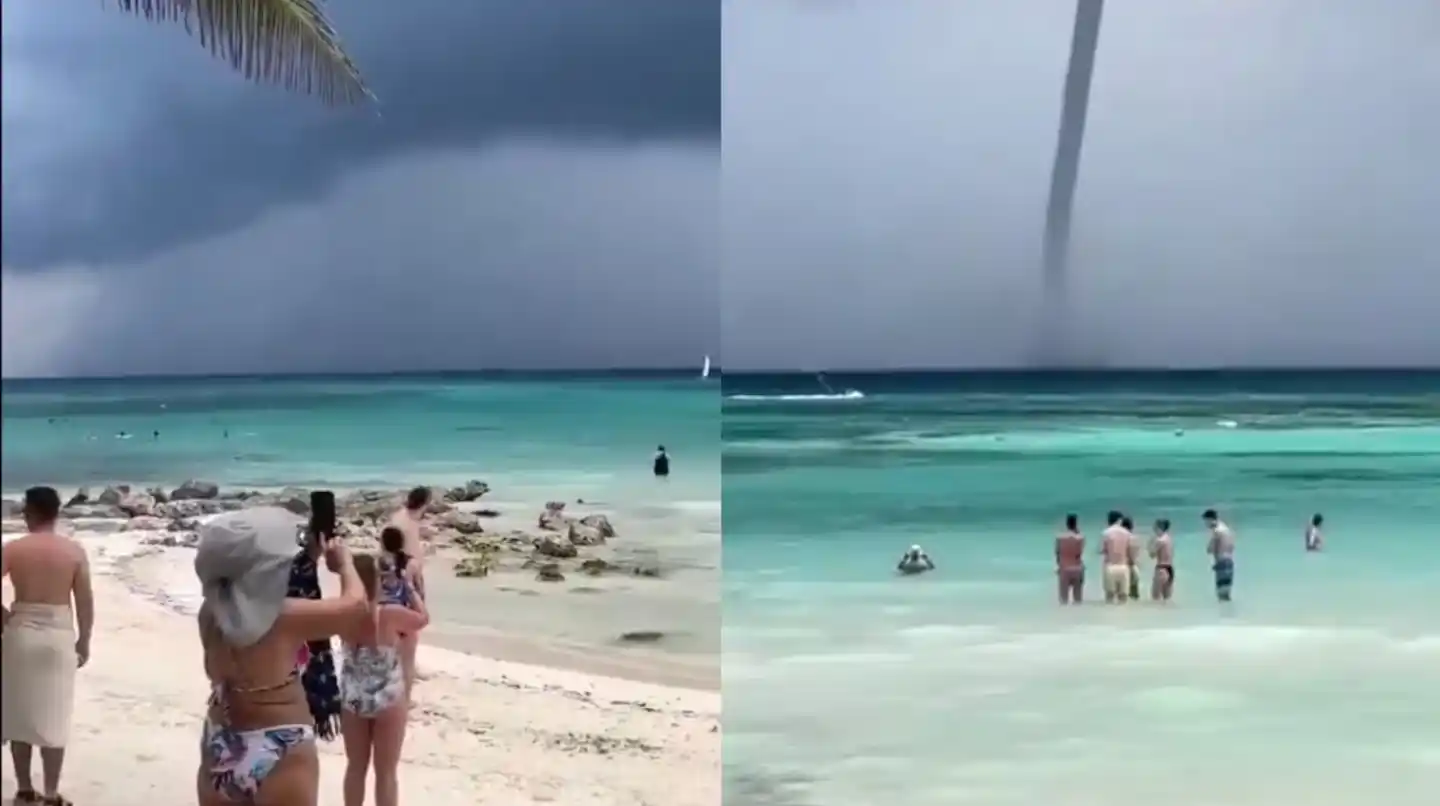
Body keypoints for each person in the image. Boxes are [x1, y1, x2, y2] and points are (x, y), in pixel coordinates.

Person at [194, 507, 368, 805]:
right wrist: (345, 565)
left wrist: (310, 558)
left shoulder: (210, 613)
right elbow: (357, 608)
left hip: (221, 741)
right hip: (280, 744)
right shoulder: (284, 617)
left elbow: (256, 603)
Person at [2, 486, 93, 806]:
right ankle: (52, 795)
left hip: (20, 634)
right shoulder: (73, 551)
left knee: (19, 715)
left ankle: (25, 791)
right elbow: (84, 601)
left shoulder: (14, 548)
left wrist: (3, 617)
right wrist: (85, 639)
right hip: (57, 638)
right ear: (56, 512)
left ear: (32, 512)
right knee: (54, 717)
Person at [339, 554, 430, 806]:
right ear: (377, 581)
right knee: (386, 774)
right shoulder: (389, 614)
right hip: (389, 698)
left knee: (355, 768)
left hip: (353, 698)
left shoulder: (342, 615)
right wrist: (409, 586)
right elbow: (423, 619)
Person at [387, 488, 431, 694]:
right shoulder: (408, 523)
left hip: (398, 579)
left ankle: (404, 668)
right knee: (410, 630)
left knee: (402, 630)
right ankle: (406, 675)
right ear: (424, 503)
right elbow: (407, 557)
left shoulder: (400, 517)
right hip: (407, 580)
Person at [1204, 508, 1237, 602]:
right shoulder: (1226, 529)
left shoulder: (1216, 531)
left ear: (1210, 519)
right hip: (1229, 561)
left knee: (1221, 594)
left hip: (1221, 562)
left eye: (1206, 522)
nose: (1206, 525)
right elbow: (1232, 546)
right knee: (1227, 593)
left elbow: (1210, 549)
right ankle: (1229, 614)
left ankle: (1223, 615)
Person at [1099, 510, 1131, 604]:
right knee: (1123, 598)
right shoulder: (1127, 533)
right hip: (1123, 567)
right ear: (1119, 520)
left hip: (1110, 566)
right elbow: (1131, 550)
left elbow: (1100, 550)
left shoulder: (1105, 533)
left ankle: (1110, 617)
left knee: (1109, 597)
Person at [1054, 513, 1085, 604]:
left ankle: (1064, 616)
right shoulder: (1080, 538)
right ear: (1076, 524)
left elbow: (1057, 554)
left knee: (1063, 599)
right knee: (1078, 599)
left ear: (1067, 524)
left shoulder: (1060, 538)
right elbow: (1079, 553)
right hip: (1077, 568)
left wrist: (1059, 566)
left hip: (1064, 568)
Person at [1148, 518, 1176, 601]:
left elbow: (1152, 555)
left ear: (1159, 528)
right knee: (1167, 599)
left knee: (1155, 598)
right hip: (1170, 569)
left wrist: (1149, 544)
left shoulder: (1160, 540)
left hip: (1161, 568)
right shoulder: (1169, 539)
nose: (1153, 530)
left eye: (1155, 527)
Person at [1121, 515, 1142, 600]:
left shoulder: (1122, 538)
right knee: (1134, 596)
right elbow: (1136, 554)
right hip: (1134, 567)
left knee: (1122, 596)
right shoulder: (1135, 538)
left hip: (1125, 567)